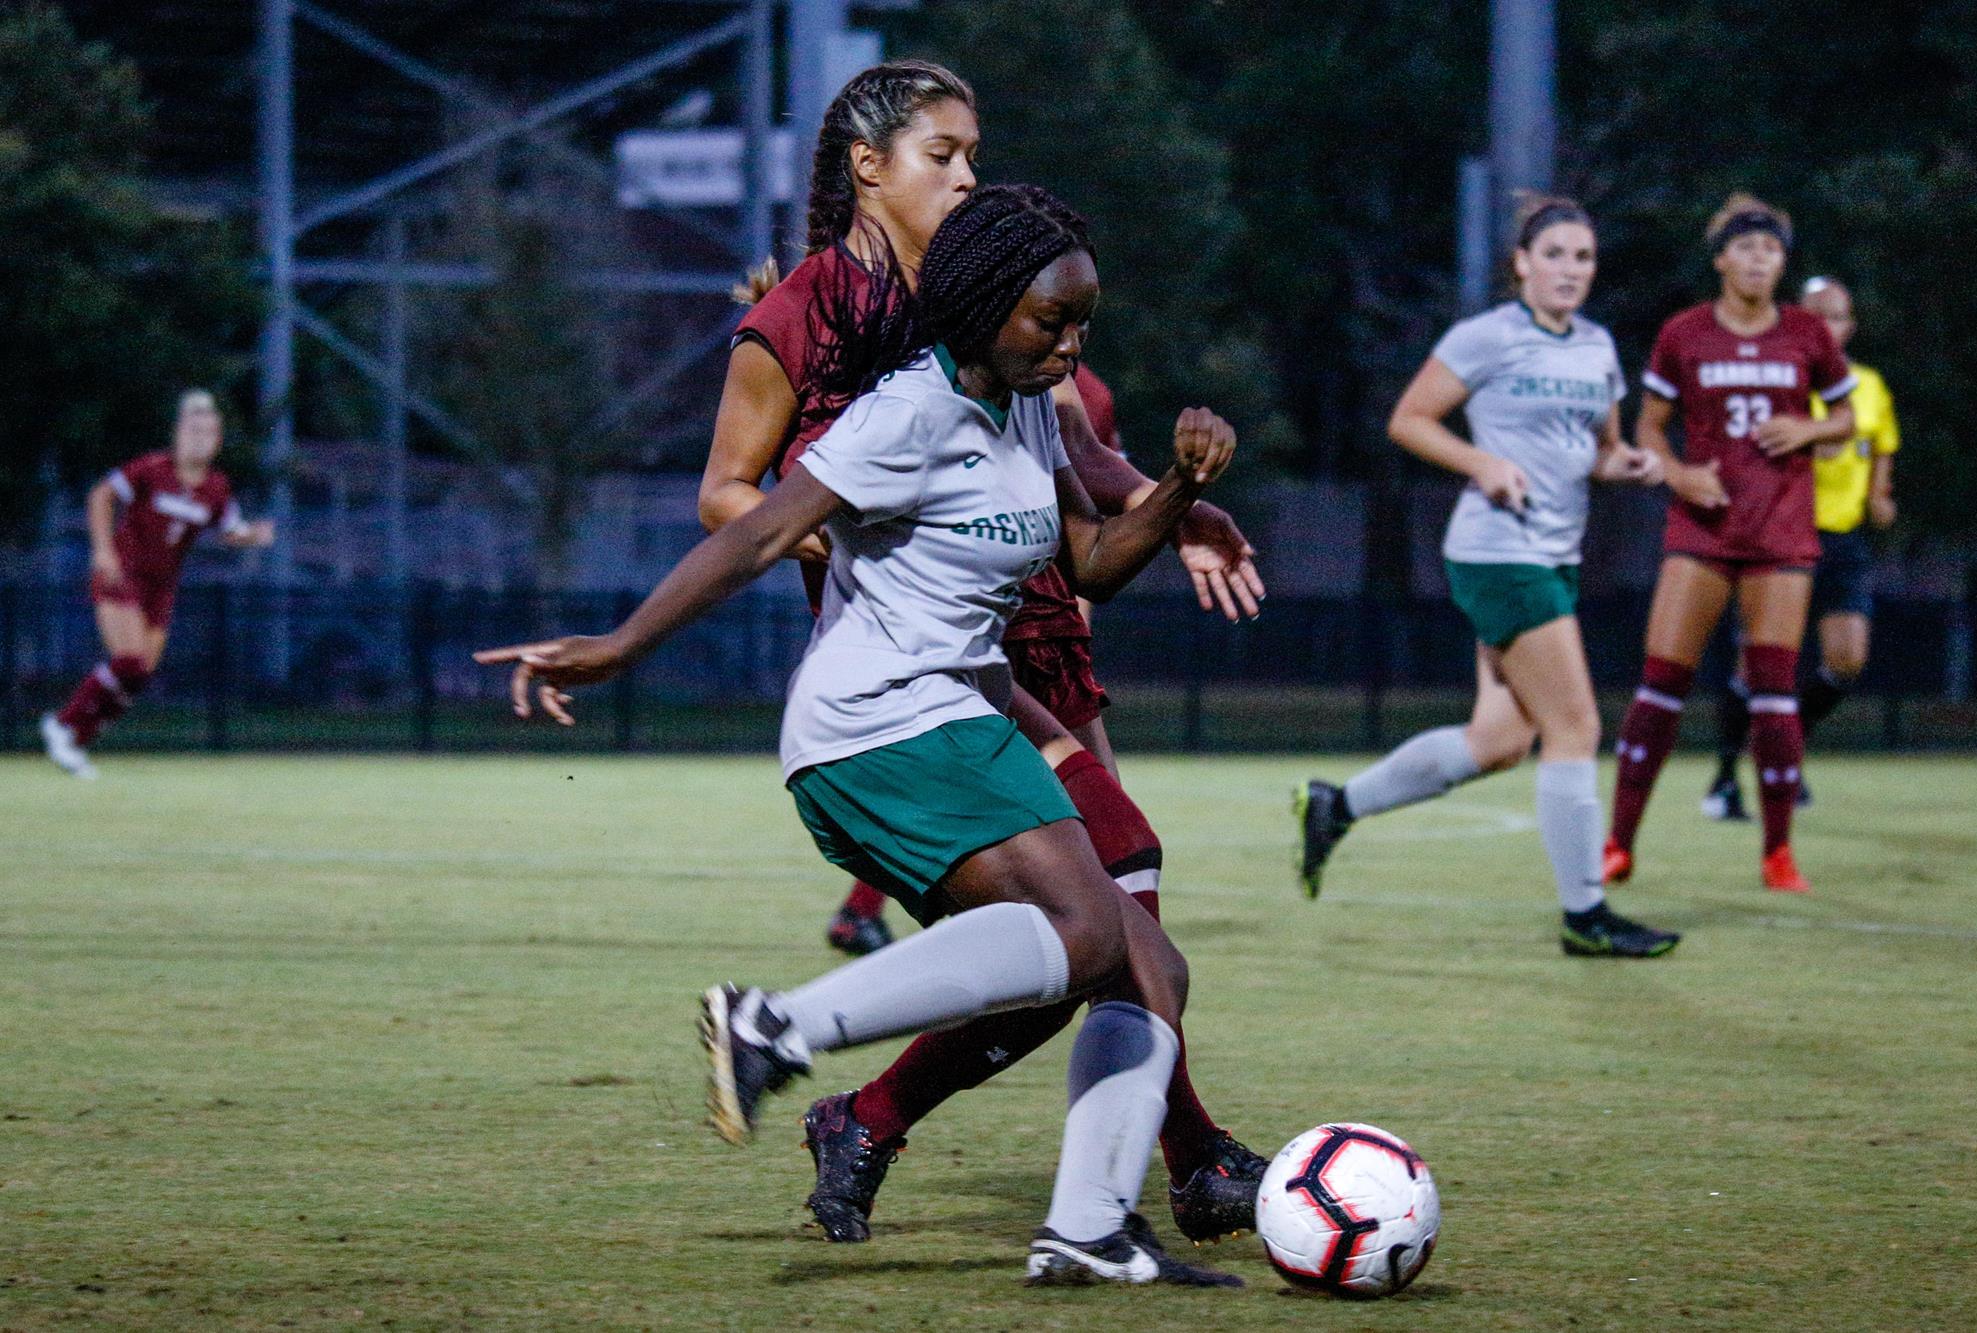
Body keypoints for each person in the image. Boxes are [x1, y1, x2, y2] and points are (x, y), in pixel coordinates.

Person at [479, 184, 1244, 1287]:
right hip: (874, 723)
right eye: (1052, 321)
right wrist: (619, 644)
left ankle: (1085, 1228)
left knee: (1143, 963)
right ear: (982, 306)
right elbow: (758, 533)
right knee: (1084, 931)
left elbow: (1089, 566)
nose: (1071, 343)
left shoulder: (1025, 401)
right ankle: (773, 1025)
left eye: (1084, 322)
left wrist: (1176, 487)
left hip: (952, 713)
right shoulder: (904, 415)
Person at [701, 61, 1267, 1248]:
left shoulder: (1006, 293)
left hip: (1037, 634)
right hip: (932, 670)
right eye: (943, 154)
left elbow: (1074, 474)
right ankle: (1175, 1159)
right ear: (869, 166)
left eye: (971, 154)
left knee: (1111, 912)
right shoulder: (807, 311)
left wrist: (1178, 503)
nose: (967, 174)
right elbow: (735, 500)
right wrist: (830, 544)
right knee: (1097, 916)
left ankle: (889, 1122)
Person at [1295, 197, 1680, 958]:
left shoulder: (1597, 348)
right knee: (1576, 726)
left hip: (1554, 553)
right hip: (1499, 552)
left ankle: (1337, 805)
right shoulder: (1487, 336)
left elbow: (1597, 450)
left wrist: (1626, 463)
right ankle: (1586, 915)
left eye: (1584, 258)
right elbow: (1409, 419)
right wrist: (1483, 463)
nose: (1571, 270)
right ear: (1522, 264)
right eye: (1557, 255)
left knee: (1500, 739)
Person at [1603, 195, 1856, 893]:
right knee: (1662, 686)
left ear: (1782, 262)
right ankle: (1618, 844)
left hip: (1779, 532)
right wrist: (1680, 474)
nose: (1757, 259)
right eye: (1745, 248)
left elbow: (1845, 417)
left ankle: (1778, 852)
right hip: (1704, 532)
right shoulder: (1685, 332)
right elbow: (1650, 425)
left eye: (1770, 250)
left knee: (1775, 689)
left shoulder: (1807, 332)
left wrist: (1806, 430)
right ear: (1721, 259)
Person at [1703, 276, 1900, 819]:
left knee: (1847, 659)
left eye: (1834, 315)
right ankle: (1724, 778)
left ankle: (1787, 744)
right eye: (1814, 314)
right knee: (1757, 665)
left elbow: (1878, 444)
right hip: (1779, 537)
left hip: (1841, 540)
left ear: (1849, 326)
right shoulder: (1778, 378)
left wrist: (1880, 491)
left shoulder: (1869, 385)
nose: (1825, 325)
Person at [41, 390, 275, 778]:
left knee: (138, 676)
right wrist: (102, 551)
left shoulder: (216, 489)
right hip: (123, 573)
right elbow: (101, 495)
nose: (199, 439)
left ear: (217, 442)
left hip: (161, 587)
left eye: (208, 433)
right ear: (178, 433)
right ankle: (63, 726)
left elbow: (231, 529)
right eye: (193, 430)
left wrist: (253, 536)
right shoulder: (152, 469)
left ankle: (75, 740)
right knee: (129, 660)